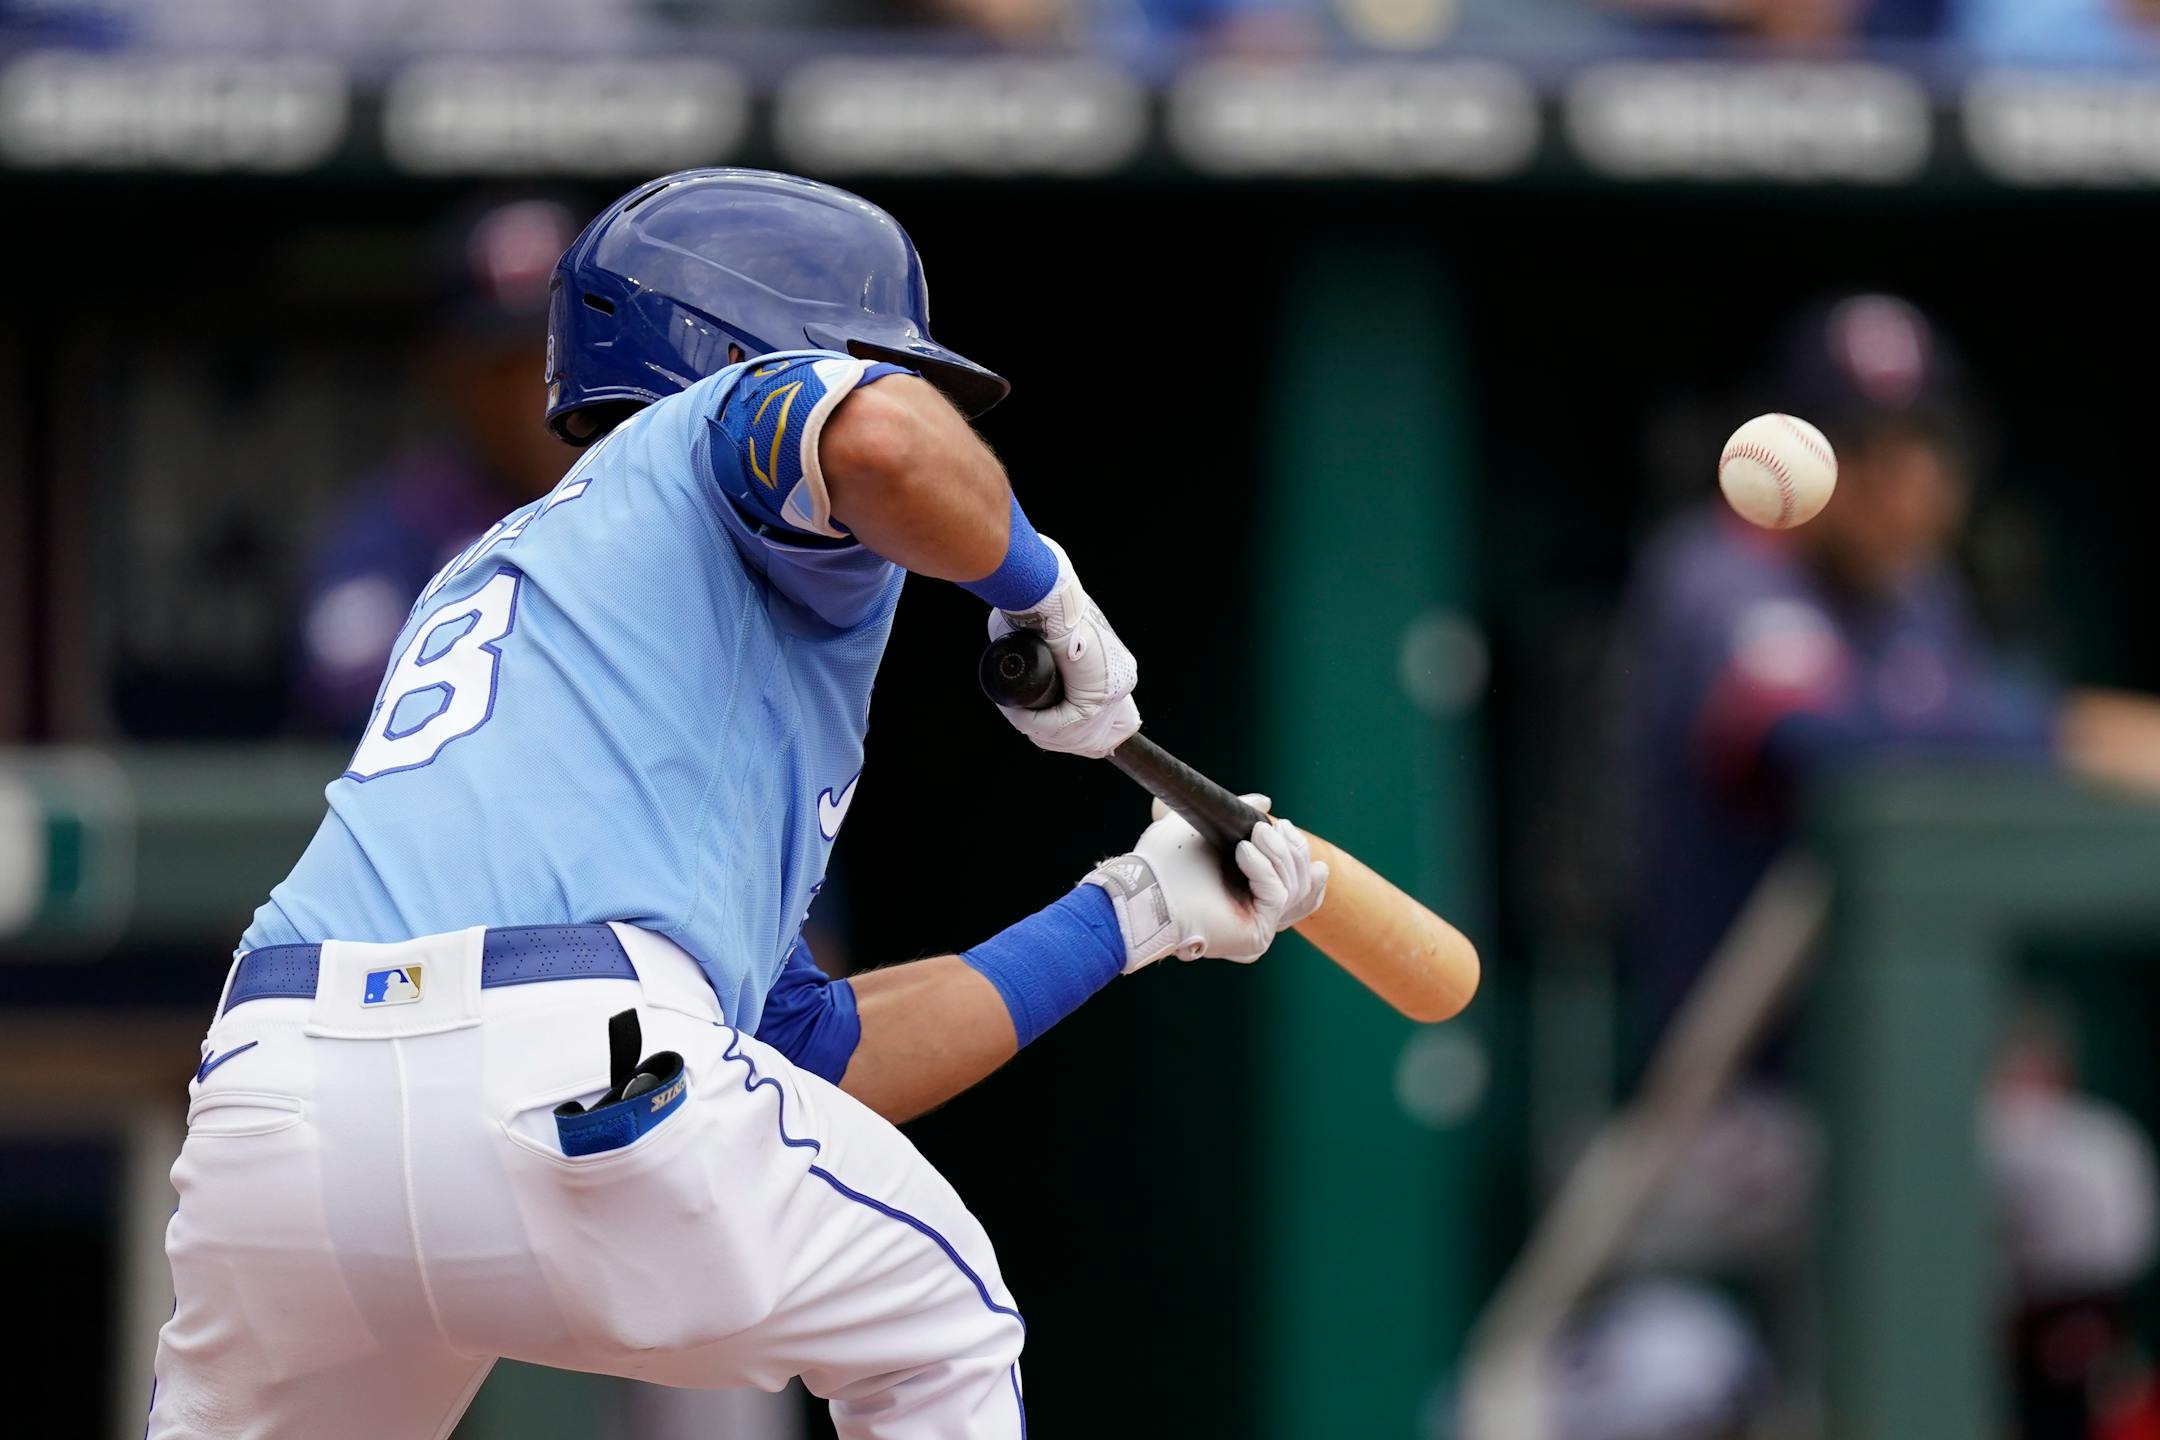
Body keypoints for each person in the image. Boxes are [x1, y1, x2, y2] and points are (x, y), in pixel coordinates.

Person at [146, 169, 1326, 1438]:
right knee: (943, 1323)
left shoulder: (535, 572)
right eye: (880, 361)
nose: (915, 399)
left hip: (277, 1106)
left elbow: (808, 1055)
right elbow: (879, 439)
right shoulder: (711, 425)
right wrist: (1038, 589)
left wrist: (1132, 914)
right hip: (555, 1045)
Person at [293, 196, 580, 732]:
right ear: (444, 369)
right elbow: (358, 708)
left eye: (554, 353)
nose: (534, 392)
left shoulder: (659, 503)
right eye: (503, 367)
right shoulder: (390, 533)